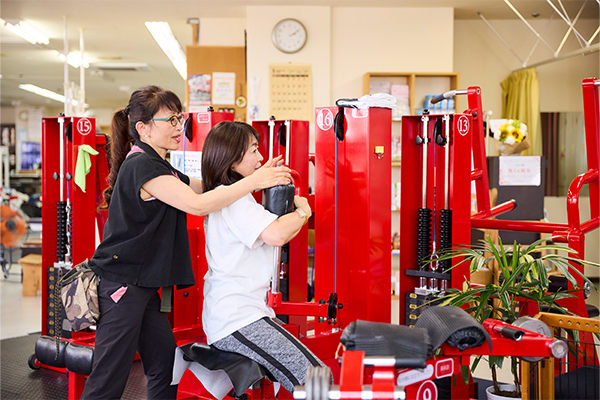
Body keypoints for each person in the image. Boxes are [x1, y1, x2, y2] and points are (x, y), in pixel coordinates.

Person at [81, 85, 291, 400]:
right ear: (143, 128)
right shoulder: (142, 166)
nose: (180, 127)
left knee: (165, 369)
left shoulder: (158, 164)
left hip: (145, 288)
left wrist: (247, 170)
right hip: (123, 287)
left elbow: (204, 187)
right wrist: (254, 181)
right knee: (109, 378)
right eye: (171, 120)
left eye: (180, 118)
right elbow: (197, 205)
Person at [201, 121, 324, 394]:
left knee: (303, 377)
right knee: (317, 378)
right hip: (237, 319)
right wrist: (303, 211)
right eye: (254, 151)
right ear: (232, 159)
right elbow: (277, 234)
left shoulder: (235, 197)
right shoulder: (233, 200)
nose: (260, 158)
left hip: (244, 314)